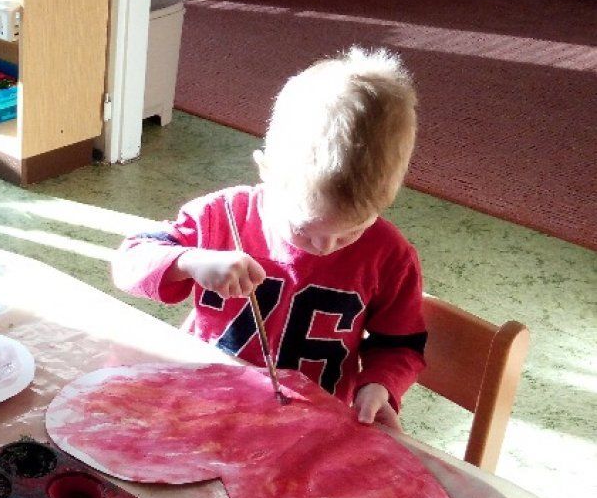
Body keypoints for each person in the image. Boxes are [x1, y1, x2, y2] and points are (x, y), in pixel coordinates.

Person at [112, 46, 426, 429]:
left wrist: (379, 385)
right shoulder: (222, 215)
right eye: (304, 229)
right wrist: (189, 261)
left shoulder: (391, 256)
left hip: (308, 424)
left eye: (352, 231)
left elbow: (400, 346)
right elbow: (128, 261)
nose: (325, 247)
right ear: (265, 171)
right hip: (203, 403)